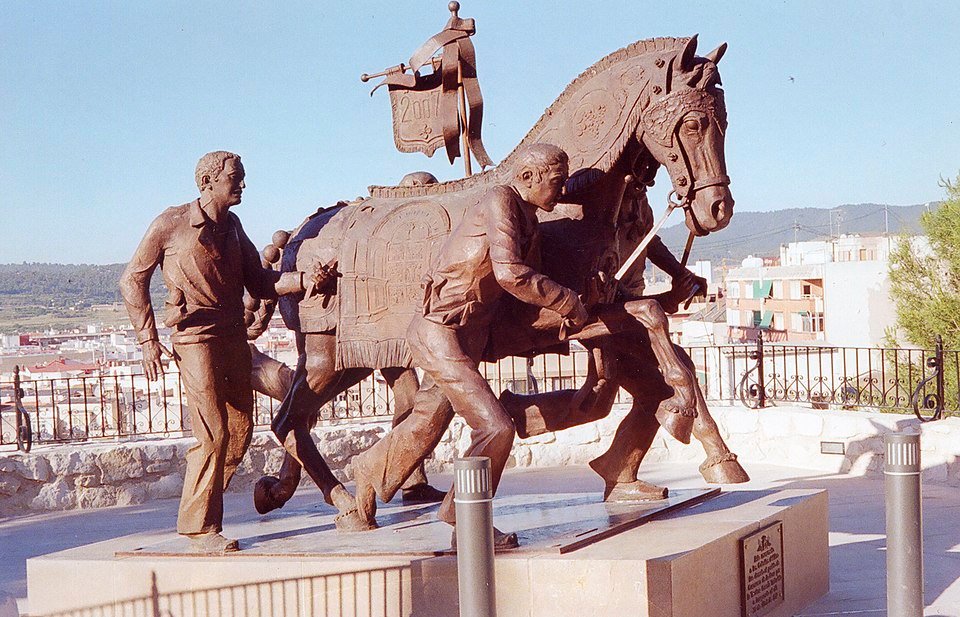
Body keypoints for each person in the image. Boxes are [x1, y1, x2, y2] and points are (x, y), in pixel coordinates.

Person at [351, 144, 588, 547]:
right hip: (439, 330)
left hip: (469, 333)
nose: (562, 190)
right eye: (556, 181)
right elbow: (511, 273)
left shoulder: (526, 215)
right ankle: (467, 524)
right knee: (495, 427)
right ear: (528, 178)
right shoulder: (501, 201)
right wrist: (566, 300)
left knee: (427, 420)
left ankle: (369, 467)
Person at [120, 151, 315, 554]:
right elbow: (131, 280)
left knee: (238, 433)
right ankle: (199, 527)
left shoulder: (233, 226)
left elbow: (260, 282)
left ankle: (203, 499)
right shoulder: (170, 223)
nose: (242, 184)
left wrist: (304, 280)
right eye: (235, 178)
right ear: (208, 182)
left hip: (232, 338)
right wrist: (147, 340)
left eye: (242, 177)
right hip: (195, 340)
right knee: (213, 434)